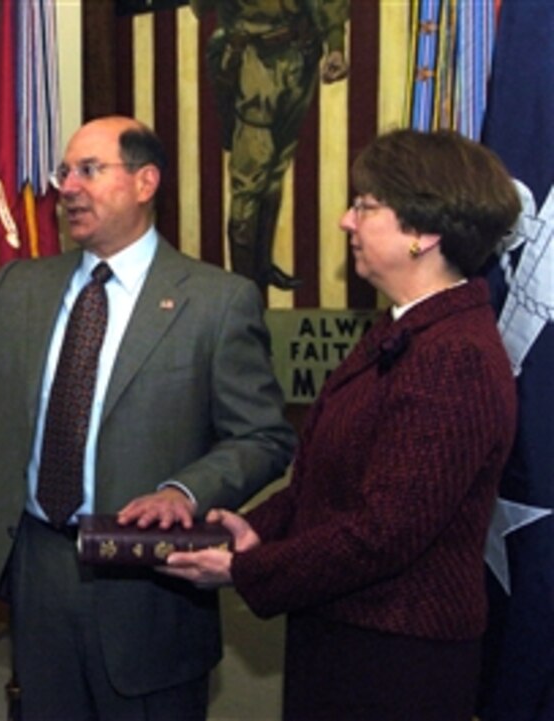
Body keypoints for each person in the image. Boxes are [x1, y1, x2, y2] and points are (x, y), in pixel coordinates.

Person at [0, 116, 295, 720]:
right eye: (65, 171)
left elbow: (264, 437)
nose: (68, 186)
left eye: (90, 170)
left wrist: (184, 490)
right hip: (38, 567)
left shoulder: (216, 302)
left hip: (147, 583)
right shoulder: (21, 287)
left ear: (145, 183)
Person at [163, 128, 522, 721]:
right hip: (346, 643)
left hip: (398, 665)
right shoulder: (401, 331)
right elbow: (320, 491)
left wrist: (246, 569)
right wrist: (251, 530)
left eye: (366, 206)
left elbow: (385, 532)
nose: (344, 222)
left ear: (423, 232)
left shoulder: (452, 354)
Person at [190, 0, 350, 291]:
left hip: (300, 58)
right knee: (250, 177)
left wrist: (335, 45)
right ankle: (243, 284)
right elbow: (200, 7)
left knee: (275, 172)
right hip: (254, 60)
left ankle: (260, 267)